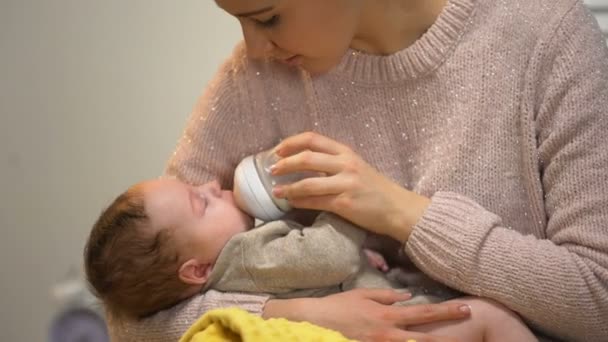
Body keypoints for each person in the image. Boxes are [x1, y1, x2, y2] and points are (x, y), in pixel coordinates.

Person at [108, 0, 608, 341]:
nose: (256, 47)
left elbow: (598, 301)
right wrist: (301, 315)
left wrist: (402, 214)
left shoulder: (544, 38)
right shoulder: (254, 79)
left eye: (268, 16)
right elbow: (133, 309)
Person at [85, 178, 535, 341]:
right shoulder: (248, 256)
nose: (211, 185)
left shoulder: (235, 264)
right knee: (491, 317)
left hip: (382, 313)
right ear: (197, 271)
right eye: (200, 203)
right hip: (387, 328)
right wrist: (344, 201)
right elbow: (328, 257)